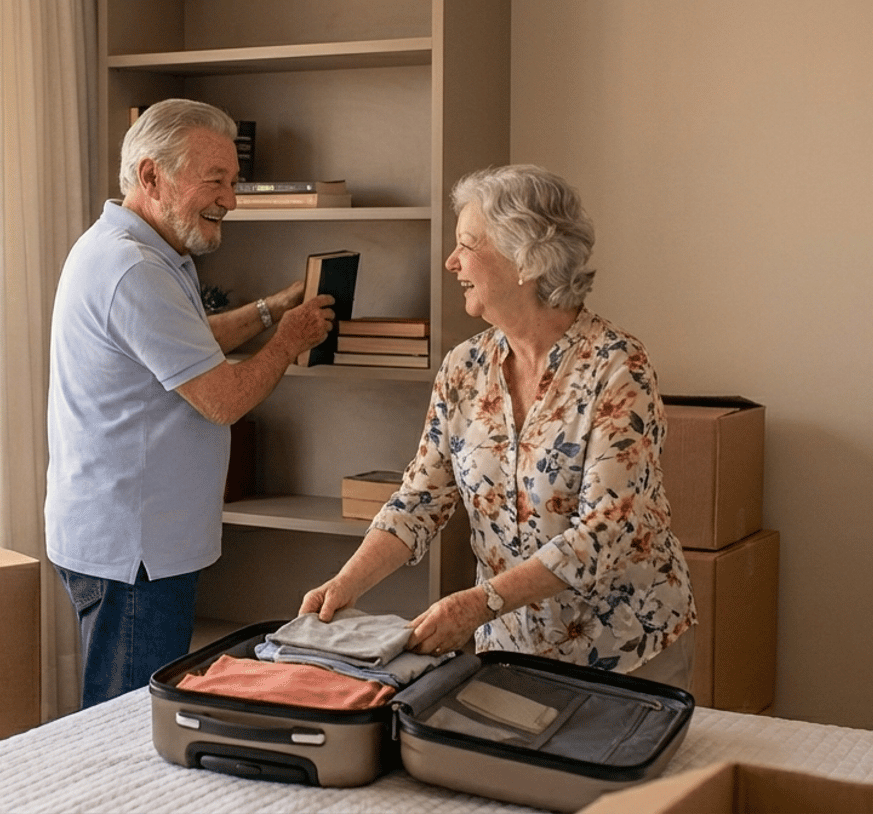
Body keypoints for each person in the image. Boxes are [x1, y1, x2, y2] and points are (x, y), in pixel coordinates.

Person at [299, 164, 697, 689]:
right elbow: (419, 501)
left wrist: (481, 601)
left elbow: (606, 530)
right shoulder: (464, 368)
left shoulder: (617, 366)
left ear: (525, 260)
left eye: (467, 244)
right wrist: (346, 585)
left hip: (625, 648)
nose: (451, 261)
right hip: (507, 652)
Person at [46, 98, 336, 708]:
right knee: (125, 728)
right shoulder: (135, 270)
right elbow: (222, 399)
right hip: (136, 554)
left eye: (233, 182)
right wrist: (287, 340)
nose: (230, 199)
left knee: (126, 716)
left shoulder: (133, 249)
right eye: (216, 181)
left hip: (131, 542)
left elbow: (185, 344)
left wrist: (268, 310)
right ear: (151, 176)